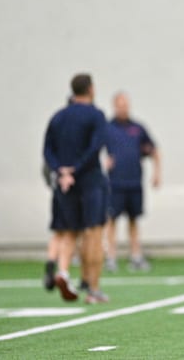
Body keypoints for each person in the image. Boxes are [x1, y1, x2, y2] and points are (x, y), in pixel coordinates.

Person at [43, 73, 109, 304]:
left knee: (69, 231)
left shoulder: (58, 117)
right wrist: (76, 169)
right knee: (94, 233)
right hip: (89, 180)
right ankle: (93, 289)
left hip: (65, 184)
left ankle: (63, 273)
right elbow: (96, 147)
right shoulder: (96, 115)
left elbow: (47, 150)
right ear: (91, 89)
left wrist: (61, 171)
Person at [104, 92, 161, 272]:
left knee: (134, 220)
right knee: (111, 220)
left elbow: (153, 150)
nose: (123, 107)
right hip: (115, 184)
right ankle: (111, 257)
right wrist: (103, 165)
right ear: (115, 106)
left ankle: (136, 256)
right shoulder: (107, 128)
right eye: (120, 104)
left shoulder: (138, 128)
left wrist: (157, 174)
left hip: (134, 182)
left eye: (125, 104)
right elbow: (93, 150)